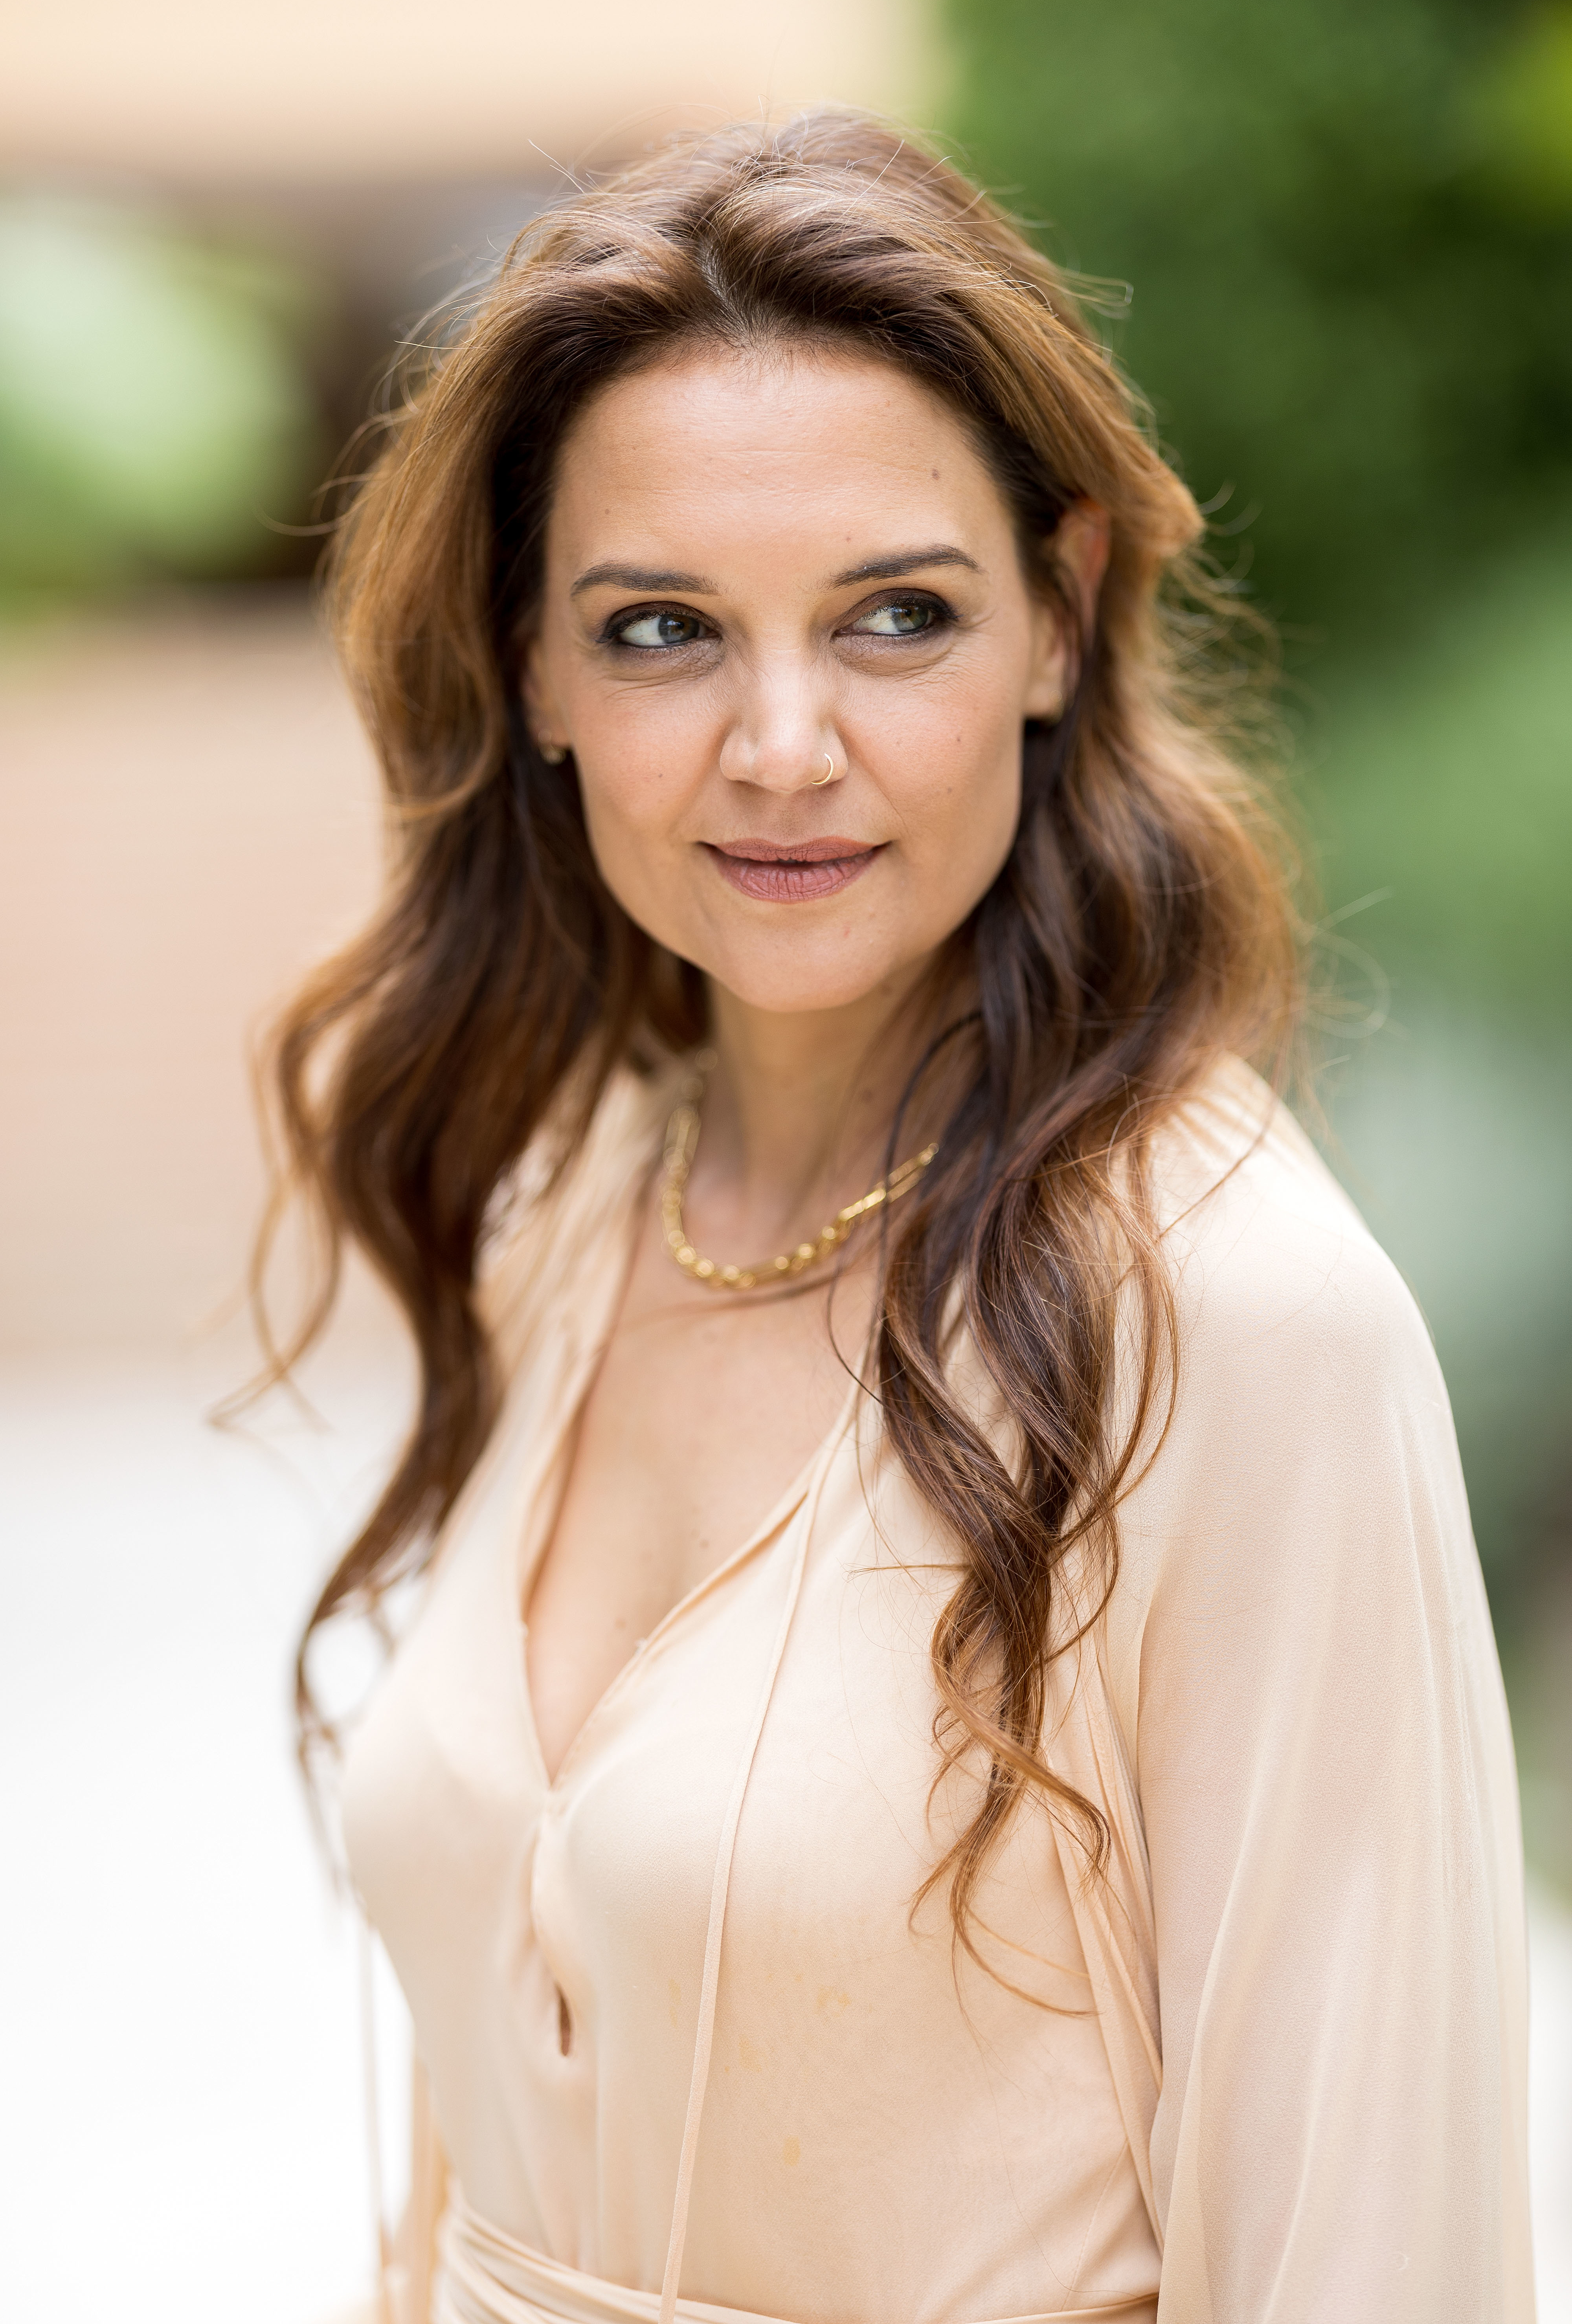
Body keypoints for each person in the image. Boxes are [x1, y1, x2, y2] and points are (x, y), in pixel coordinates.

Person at [275, 111, 1533, 2324]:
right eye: (661, 629)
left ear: (1057, 621)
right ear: (535, 672)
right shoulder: (578, 1213)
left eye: (896, 618)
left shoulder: (1237, 1325)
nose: (782, 744)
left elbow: (1376, 2253)